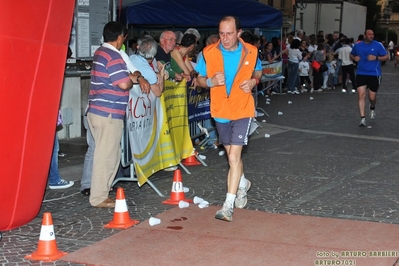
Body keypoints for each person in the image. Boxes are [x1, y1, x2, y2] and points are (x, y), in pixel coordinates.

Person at [195, 16, 262, 222]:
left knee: (233, 157)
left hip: (242, 109)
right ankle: (243, 184)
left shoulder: (251, 51)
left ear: (238, 33)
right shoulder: (208, 53)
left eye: (229, 33)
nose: (224, 38)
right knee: (232, 154)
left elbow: (258, 71)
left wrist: (253, 81)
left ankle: (228, 205)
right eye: (222, 33)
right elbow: (198, 79)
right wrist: (210, 81)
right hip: (221, 111)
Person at [87, 21, 150, 208]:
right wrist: (131, 82)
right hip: (108, 113)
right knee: (106, 157)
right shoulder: (113, 55)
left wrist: (135, 78)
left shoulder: (101, 52)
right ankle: (98, 197)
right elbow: (123, 83)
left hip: (98, 111)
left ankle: (101, 193)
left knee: (108, 155)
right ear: (121, 37)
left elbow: (122, 77)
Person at [350, 29, 388, 127]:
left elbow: (386, 57)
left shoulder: (378, 45)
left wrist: (376, 58)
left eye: (373, 34)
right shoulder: (358, 45)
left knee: (372, 97)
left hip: (374, 74)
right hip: (361, 73)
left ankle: (372, 106)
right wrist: (354, 58)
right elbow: (351, 54)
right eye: (369, 34)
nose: (371, 36)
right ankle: (362, 118)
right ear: (365, 35)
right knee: (361, 94)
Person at [48, 110, 74, 189]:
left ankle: (53, 179)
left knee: (53, 150)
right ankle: (54, 180)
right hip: (47, 119)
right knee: (53, 150)